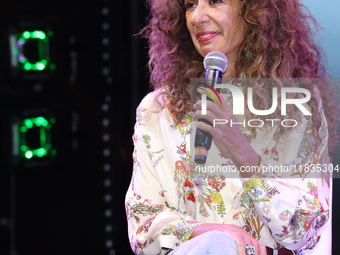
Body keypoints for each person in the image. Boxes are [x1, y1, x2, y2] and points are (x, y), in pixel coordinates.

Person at [125, 0, 338, 254]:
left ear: (254, 11)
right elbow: (143, 223)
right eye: (191, 4)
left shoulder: (298, 106)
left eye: (215, 1)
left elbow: (307, 227)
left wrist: (241, 151)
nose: (197, 17)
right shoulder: (158, 111)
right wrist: (213, 235)